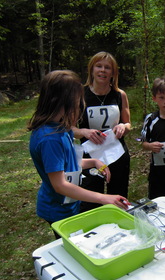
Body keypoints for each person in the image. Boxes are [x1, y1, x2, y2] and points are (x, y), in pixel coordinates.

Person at [28, 70, 129, 239]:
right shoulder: (49, 139)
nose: (80, 105)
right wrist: (104, 198)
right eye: (77, 100)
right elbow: (60, 185)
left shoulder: (62, 128)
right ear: (63, 101)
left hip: (70, 205)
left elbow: (69, 163)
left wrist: (94, 162)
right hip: (58, 209)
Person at [73, 52, 131, 212]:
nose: (103, 71)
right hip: (90, 156)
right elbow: (69, 128)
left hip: (117, 154)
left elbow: (127, 123)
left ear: (113, 73)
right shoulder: (80, 95)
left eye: (108, 68)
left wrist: (123, 127)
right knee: (90, 201)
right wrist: (84, 132)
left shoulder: (120, 95)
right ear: (91, 70)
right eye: (99, 66)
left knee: (118, 199)